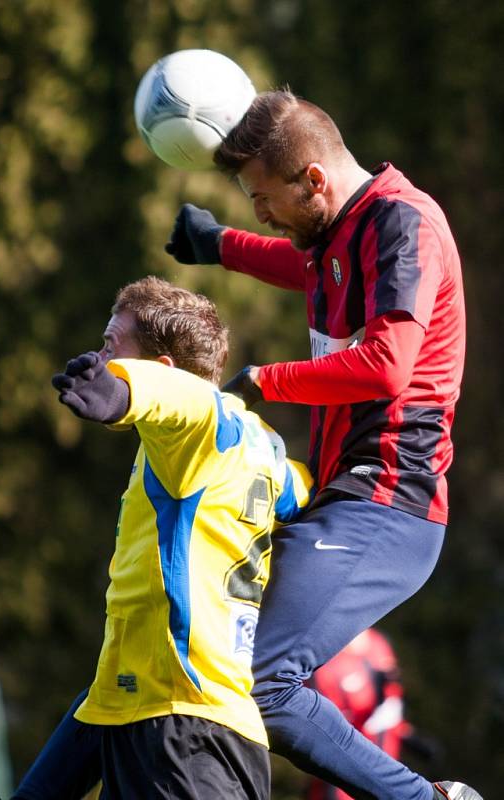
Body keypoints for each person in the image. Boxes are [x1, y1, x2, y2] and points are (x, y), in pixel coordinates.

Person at [164, 89, 482, 800]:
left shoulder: (404, 224)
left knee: (258, 679)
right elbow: (310, 269)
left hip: (388, 505)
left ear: (314, 179)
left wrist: (261, 381)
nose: (262, 216)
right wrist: (220, 246)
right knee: (190, 647)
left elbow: (386, 365)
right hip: (344, 496)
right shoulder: (348, 231)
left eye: (263, 199)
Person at [11, 275, 313, 799]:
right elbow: (301, 490)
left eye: (113, 345)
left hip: (185, 725)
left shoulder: (195, 422)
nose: (101, 355)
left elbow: (176, 393)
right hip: (146, 707)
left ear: (164, 369)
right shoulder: (263, 447)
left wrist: (119, 389)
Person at [306, 628, 410, 800]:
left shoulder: (378, 643)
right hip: (339, 767)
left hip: (383, 763)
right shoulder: (324, 654)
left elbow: (392, 698)